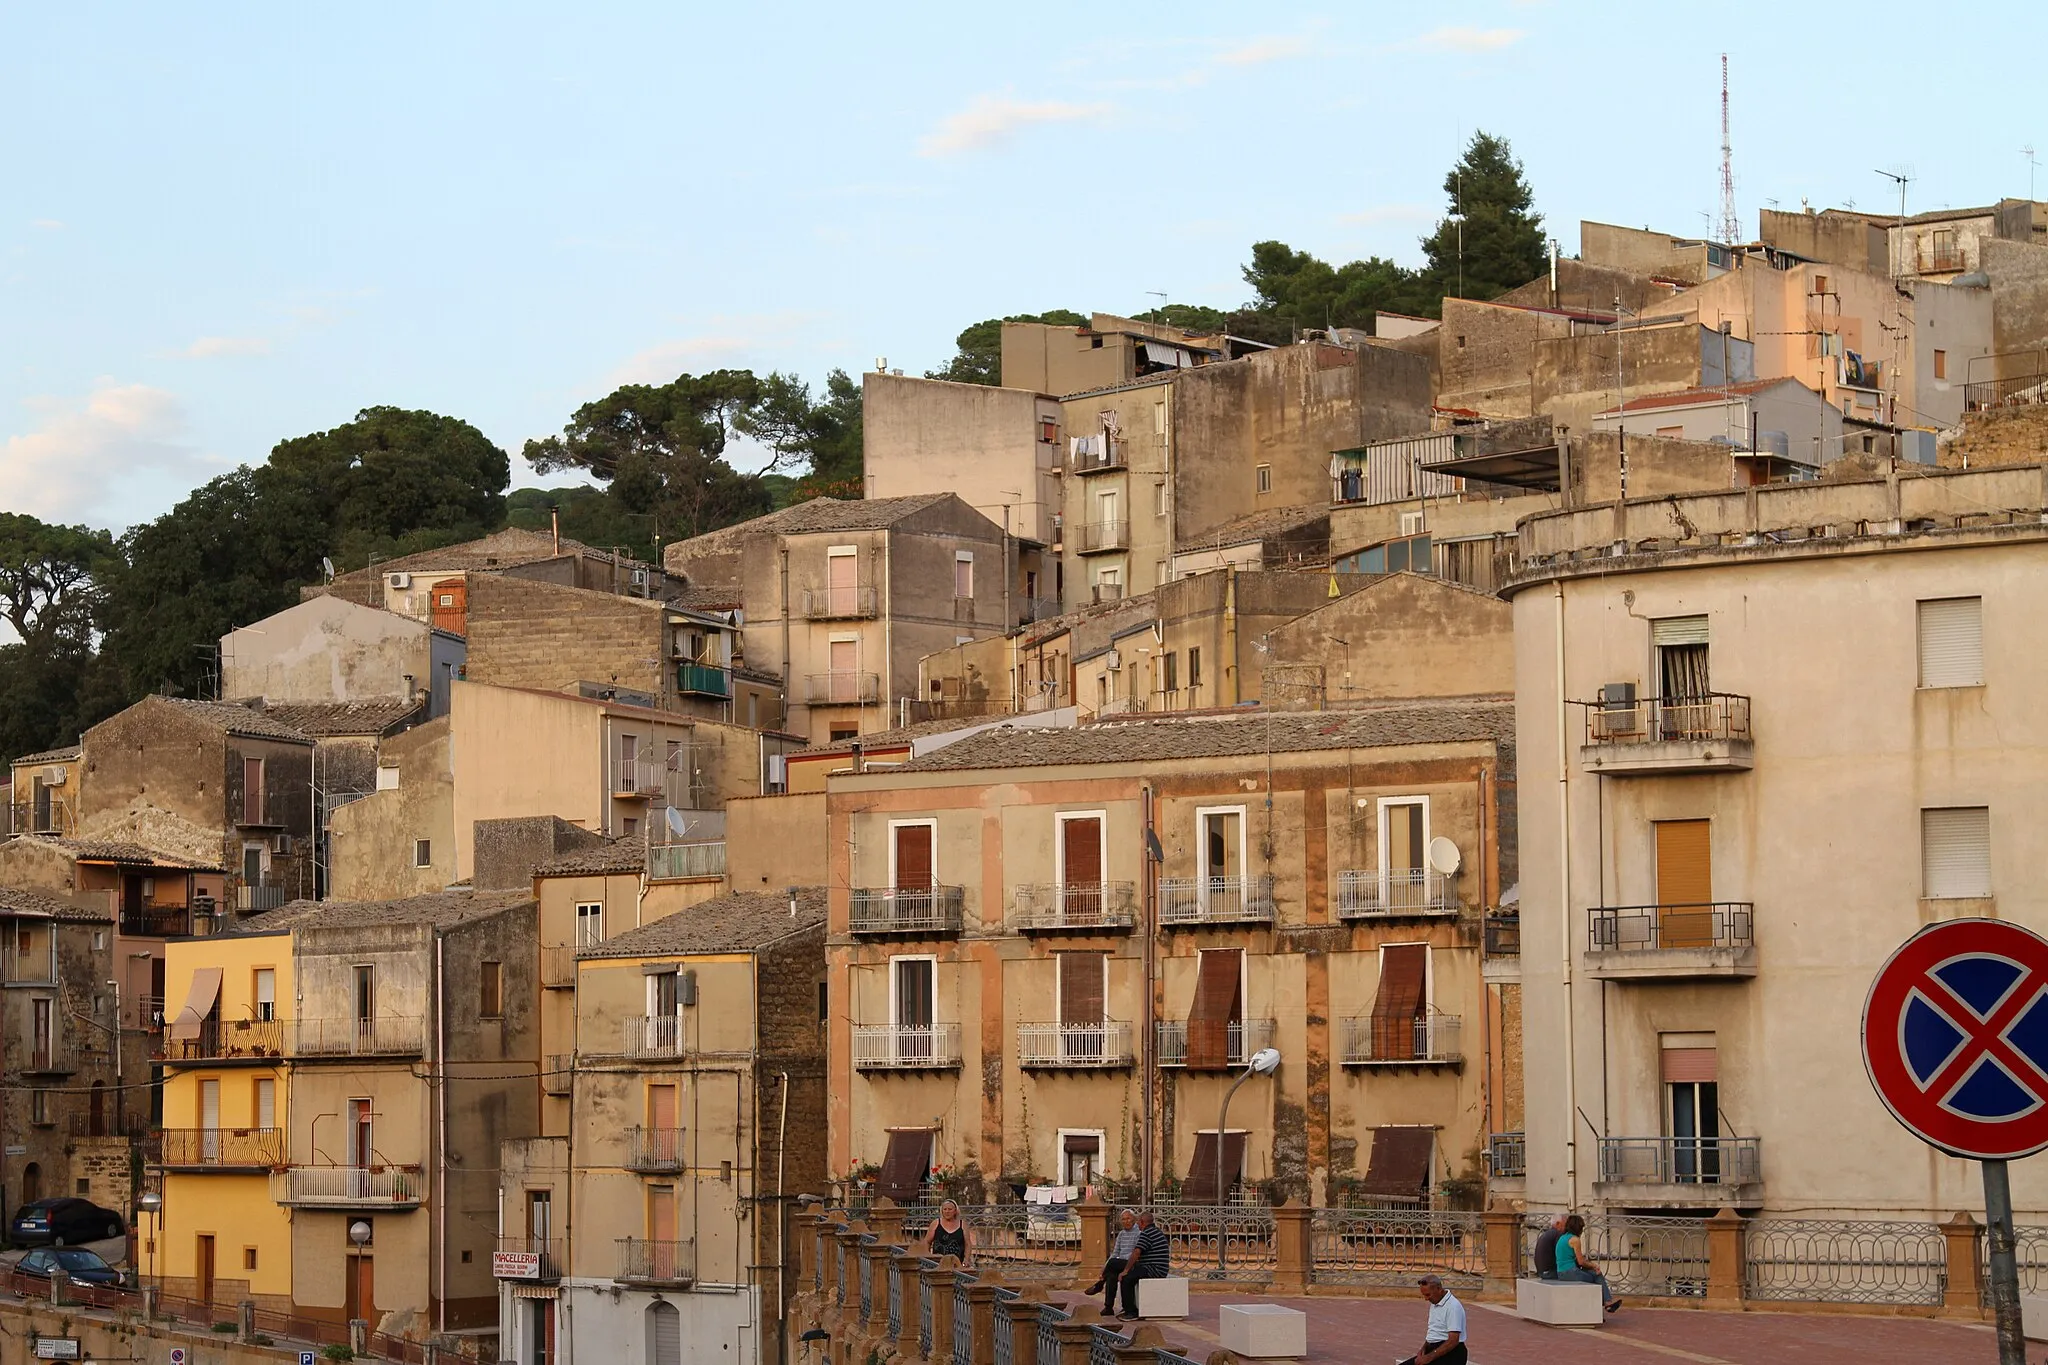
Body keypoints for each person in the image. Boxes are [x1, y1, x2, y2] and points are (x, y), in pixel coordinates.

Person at [1397, 1274, 1467, 1365]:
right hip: (1434, 1349)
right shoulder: (1435, 1302)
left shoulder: (1453, 1306)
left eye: (1428, 1295)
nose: (1426, 1299)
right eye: (1424, 1295)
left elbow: (1453, 1340)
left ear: (1438, 1289)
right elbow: (1434, 1331)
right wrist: (1423, 1348)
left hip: (1452, 1353)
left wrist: (1429, 1358)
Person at [1555, 1214, 1620, 1313]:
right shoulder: (1575, 1240)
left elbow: (1574, 1260)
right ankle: (1607, 1303)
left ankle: (1606, 1304)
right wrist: (1594, 1266)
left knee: (1594, 1275)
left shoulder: (1562, 1238)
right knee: (1597, 1277)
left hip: (1561, 1272)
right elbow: (1581, 1261)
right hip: (1570, 1272)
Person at [1116, 1210, 1170, 1320]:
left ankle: (1131, 1311)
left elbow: (1136, 1252)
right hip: (1154, 1267)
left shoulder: (1147, 1233)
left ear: (1141, 1222)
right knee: (1116, 1267)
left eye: (1138, 1222)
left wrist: (1126, 1270)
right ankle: (1126, 1308)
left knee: (1126, 1278)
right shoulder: (1156, 1231)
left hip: (1154, 1269)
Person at [1085, 1209, 1140, 1315]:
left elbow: (1135, 1253)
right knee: (1111, 1275)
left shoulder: (1138, 1233)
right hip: (1119, 1264)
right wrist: (1104, 1268)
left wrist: (1117, 1261)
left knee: (1113, 1263)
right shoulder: (1121, 1235)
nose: (1126, 1221)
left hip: (1131, 1263)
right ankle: (1108, 1307)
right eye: (1123, 1219)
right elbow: (1115, 1253)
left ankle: (1099, 1285)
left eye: (1128, 1218)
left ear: (1134, 1219)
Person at [922, 1199, 973, 1267]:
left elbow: (968, 1244)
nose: (947, 1211)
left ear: (955, 1211)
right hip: (938, 1264)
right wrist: (927, 1256)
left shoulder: (962, 1225)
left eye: (950, 1209)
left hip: (957, 1263)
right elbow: (927, 1241)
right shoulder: (936, 1223)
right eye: (945, 1209)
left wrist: (966, 1259)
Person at [1531, 1212, 1568, 1280]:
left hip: (1542, 1272)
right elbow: (1562, 1255)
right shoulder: (1557, 1234)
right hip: (1550, 1273)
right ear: (1558, 1223)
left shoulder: (1547, 1233)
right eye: (1565, 1225)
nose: (1566, 1228)